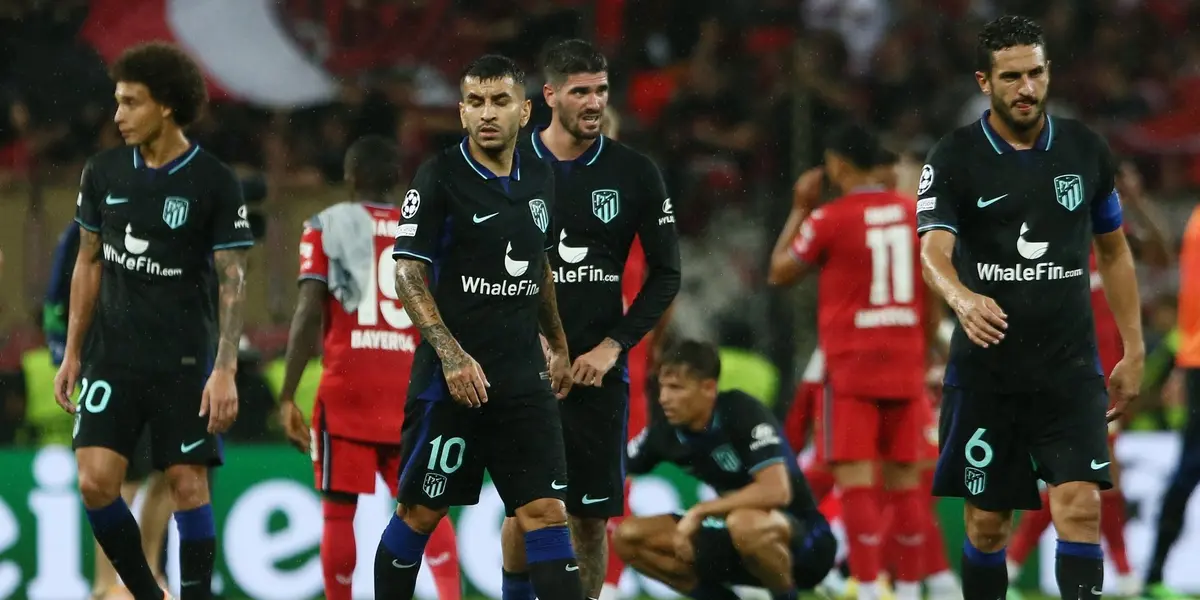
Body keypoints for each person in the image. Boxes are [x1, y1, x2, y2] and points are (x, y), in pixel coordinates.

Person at [916, 16, 1144, 600]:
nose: (1026, 88)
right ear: (984, 81)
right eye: (1011, 76)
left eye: (1035, 73)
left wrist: (1134, 349)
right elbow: (933, 250)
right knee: (988, 526)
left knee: (1081, 507)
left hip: (1069, 372)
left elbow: (1114, 253)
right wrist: (963, 298)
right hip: (988, 374)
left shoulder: (1085, 149)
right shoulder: (954, 157)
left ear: (1049, 74)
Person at [374, 54, 583, 600]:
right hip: (451, 381)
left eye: (500, 101)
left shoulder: (540, 175)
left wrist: (558, 343)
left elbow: (538, 264)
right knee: (419, 512)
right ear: (462, 113)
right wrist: (451, 355)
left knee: (545, 510)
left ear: (526, 110)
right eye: (475, 102)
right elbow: (408, 274)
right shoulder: (438, 176)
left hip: (521, 375)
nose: (487, 113)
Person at [53, 42, 254, 600]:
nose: (117, 115)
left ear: (165, 106)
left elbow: (233, 279)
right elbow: (87, 262)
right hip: (112, 355)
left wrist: (225, 368)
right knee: (95, 483)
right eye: (117, 102)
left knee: (188, 485)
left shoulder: (213, 181)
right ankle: (147, 593)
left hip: (184, 357)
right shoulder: (104, 171)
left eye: (130, 103)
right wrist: (73, 352)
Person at [500, 38, 682, 600]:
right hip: (525, 370)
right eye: (580, 90)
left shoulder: (635, 173)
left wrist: (613, 346)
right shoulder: (508, 164)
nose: (594, 101)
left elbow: (666, 276)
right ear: (550, 95)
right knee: (530, 507)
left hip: (598, 376)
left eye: (601, 90)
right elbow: (481, 267)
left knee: (589, 519)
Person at [278, 135, 462, 600]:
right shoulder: (421, 228)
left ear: (349, 177)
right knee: (425, 505)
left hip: (348, 389)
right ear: (397, 179)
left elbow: (306, 312)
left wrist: (288, 395)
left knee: (339, 512)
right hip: (410, 390)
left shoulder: (325, 224)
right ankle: (450, 595)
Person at [767, 123, 940, 600]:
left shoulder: (829, 218)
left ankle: (867, 587)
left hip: (851, 368)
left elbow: (780, 271)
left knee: (857, 483)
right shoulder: (914, 214)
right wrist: (924, 350)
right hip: (906, 362)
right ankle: (908, 589)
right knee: (906, 484)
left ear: (840, 166)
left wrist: (800, 208)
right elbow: (934, 291)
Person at [1004, 159, 1171, 599]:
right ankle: (1123, 571)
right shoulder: (1046, 245)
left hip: (1109, 376)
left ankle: (1015, 562)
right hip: (1068, 375)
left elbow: (1162, 255)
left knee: (1081, 478)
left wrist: (1136, 201)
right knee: (1091, 476)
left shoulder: (1113, 243)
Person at [612, 340, 836, 600]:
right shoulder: (663, 434)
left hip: (805, 544)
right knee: (629, 537)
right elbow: (612, 470)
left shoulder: (741, 411)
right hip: (736, 540)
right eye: (662, 387)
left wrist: (699, 512)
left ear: (708, 388)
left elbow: (777, 490)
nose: (664, 398)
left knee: (745, 523)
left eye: (676, 388)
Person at [44, 221, 176, 600]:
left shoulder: (172, 215)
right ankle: (107, 585)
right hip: (110, 365)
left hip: (165, 365)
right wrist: (68, 354)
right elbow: (62, 295)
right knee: (115, 479)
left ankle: (149, 574)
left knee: (169, 472)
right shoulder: (86, 226)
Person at [1140, 201, 1200, 599]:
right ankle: (1153, 574)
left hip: (1195, 359)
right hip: (1195, 360)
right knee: (1187, 470)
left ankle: (1153, 574)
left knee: (1187, 470)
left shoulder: (1195, 218)